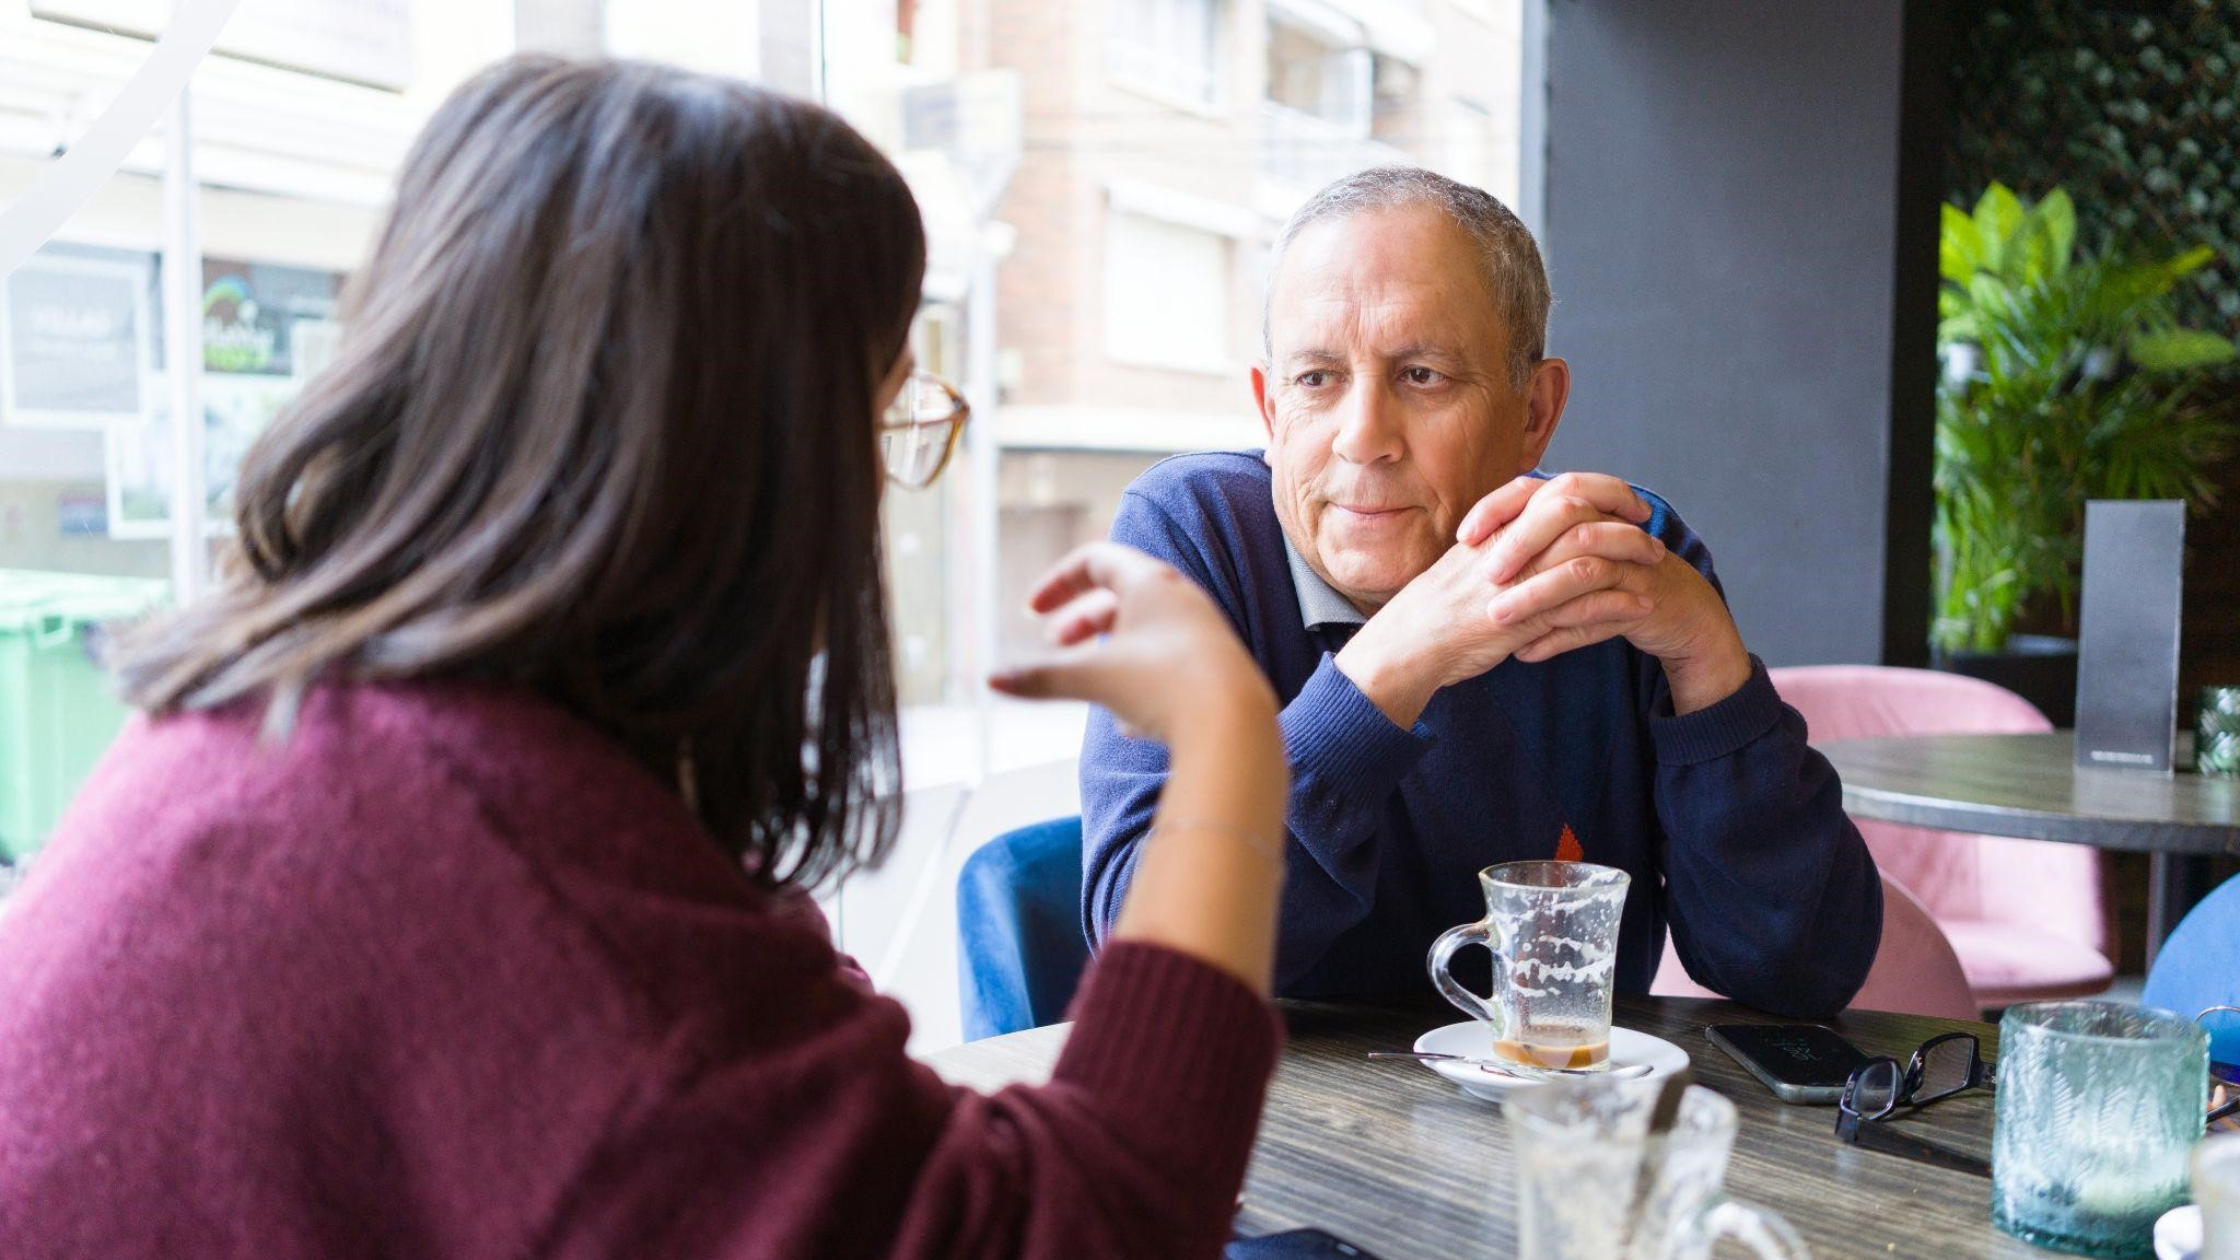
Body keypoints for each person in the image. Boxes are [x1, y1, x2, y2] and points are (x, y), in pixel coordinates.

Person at [0, 56, 1293, 1258]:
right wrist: (1228, 739)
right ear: (741, 461)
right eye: (881, 407)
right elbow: (1082, 1226)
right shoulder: (510, 871)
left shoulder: (300, 719)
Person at [1080, 166, 1882, 1018]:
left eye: (1422, 375)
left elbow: (1804, 973)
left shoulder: (1615, 565)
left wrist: (1711, 667)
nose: (1364, 439)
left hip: (1555, 1130)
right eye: (1316, 379)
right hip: (1259, 1134)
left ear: (1534, 411)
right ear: (1269, 410)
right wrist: (1398, 659)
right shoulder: (1187, 542)